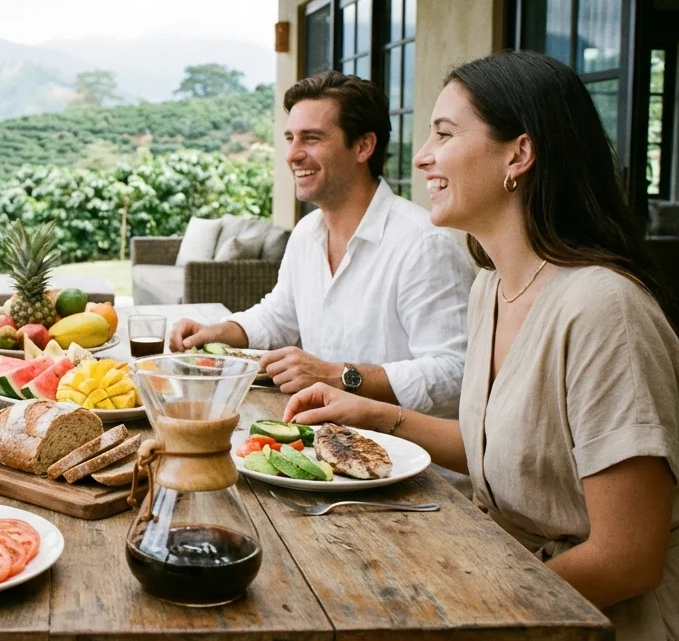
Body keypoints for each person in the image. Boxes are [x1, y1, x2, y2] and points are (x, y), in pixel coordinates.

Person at [283, 51, 679, 641]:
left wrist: (468, 614)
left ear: (519, 153)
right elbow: (514, 451)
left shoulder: (602, 310)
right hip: (520, 590)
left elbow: (627, 559)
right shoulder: (494, 285)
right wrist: (373, 415)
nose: (424, 157)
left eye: (444, 134)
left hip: (605, 629)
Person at [170, 71, 473, 418]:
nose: (292, 155)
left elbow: (455, 372)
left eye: (311, 139)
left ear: (363, 146)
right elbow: (278, 317)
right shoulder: (306, 233)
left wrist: (340, 376)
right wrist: (221, 331)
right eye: (290, 139)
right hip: (324, 440)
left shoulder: (424, 245)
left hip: (412, 461)